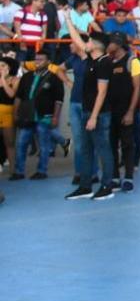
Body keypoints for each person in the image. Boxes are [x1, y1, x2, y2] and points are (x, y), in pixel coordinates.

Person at [69, 31, 116, 201]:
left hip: (99, 114)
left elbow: (102, 92)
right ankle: (85, 185)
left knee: (103, 149)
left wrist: (94, 117)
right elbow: (77, 41)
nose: (85, 43)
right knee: (86, 149)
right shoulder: (91, 59)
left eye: (88, 41)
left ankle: (107, 186)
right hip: (86, 111)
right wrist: (68, 19)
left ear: (96, 45)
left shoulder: (104, 64)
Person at [12, 49, 64, 180]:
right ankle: (19, 172)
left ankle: (42, 171)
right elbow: (18, 96)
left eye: (41, 59)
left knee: (44, 145)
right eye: (36, 59)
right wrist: (15, 113)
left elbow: (59, 100)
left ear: (48, 61)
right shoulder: (27, 76)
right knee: (21, 143)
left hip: (44, 116)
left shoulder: (54, 78)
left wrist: (56, 117)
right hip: (27, 116)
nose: (37, 62)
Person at [105, 33, 140, 192]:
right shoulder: (108, 62)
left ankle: (128, 176)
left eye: (110, 43)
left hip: (125, 110)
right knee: (111, 144)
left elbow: (137, 88)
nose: (108, 46)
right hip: (110, 111)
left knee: (127, 144)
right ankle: (114, 176)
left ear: (118, 44)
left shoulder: (132, 61)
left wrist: (130, 112)